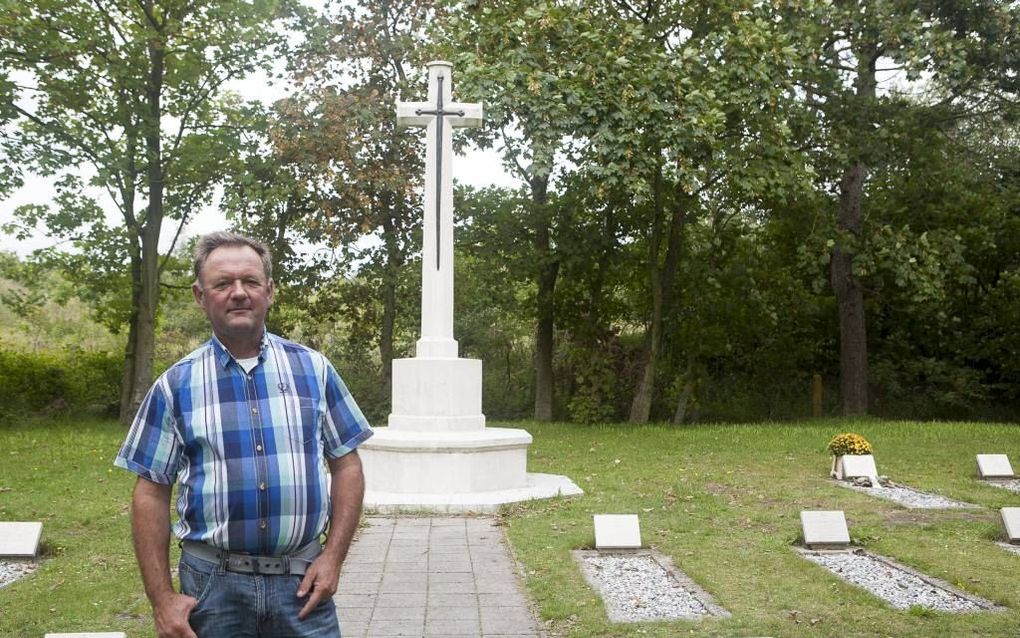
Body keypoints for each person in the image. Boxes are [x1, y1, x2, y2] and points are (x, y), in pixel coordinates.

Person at [115, 231, 373, 638]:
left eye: (250, 282)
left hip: (302, 586)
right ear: (201, 296)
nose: (238, 293)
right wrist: (161, 598)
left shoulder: (314, 370)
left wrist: (334, 557)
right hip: (212, 590)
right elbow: (150, 492)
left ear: (269, 291)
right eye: (223, 284)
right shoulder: (174, 386)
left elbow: (347, 465)